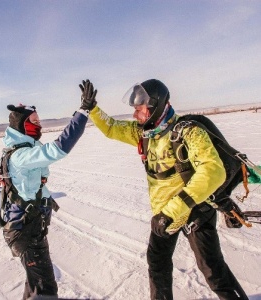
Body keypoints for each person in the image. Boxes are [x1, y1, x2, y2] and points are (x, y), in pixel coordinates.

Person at [85, 79, 248, 300]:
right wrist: (93, 109)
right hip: (164, 214)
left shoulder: (187, 132)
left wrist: (174, 210)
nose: (135, 115)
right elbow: (112, 128)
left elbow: (213, 171)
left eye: (139, 109)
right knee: (158, 262)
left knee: (211, 267)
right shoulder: (144, 133)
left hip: (194, 211)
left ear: (155, 106)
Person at [0, 80, 97, 300]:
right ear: (22, 126)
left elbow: (39, 177)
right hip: (25, 233)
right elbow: (59, 148)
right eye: (34, 121)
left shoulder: (25, 150)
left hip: (31, 229)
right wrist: (82, 113)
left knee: (36, 286)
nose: (40, 124)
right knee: (45, 290)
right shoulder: (21, 156)